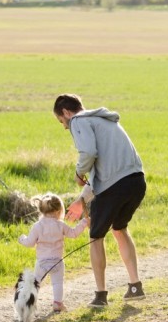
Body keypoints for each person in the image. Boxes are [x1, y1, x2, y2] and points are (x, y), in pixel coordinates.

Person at [53, 93, 147, 307]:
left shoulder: (78, 121)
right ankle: (135, 287)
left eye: (61, 121)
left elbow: (88, 153)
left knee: (96, 235)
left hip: (115, 187)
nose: (65, 127)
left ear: (67, 113)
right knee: (119, 228)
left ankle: (100, 295)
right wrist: (81, 200)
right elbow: (104, 174)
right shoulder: (104, 120)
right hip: (137, 181)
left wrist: (78, 173)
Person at [18, 192, 89, 312]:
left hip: (41, 263)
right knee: (57, 283)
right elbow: (73, 233)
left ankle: (30, 304)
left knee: (36, 283)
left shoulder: (37, 226)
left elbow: (30, 243)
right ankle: (57, 303)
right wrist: (84, 223)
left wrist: (22, 239)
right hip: (57, 262)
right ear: (58, 211)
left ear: (41, 210)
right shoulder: (60, 225)